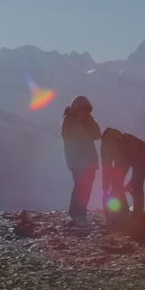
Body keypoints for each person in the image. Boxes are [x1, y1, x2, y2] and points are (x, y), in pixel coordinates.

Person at [61, 95, 102, 226]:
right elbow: (68, 136)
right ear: (77, 110)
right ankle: (79, 215)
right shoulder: (69, 120)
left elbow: (97, 135)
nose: (85, 113)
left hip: (89, 161)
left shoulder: (88, 120)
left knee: (85, 187)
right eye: (83, 110)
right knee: (81, 187)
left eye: (87, 111)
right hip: (77, 161)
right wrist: (81, 123)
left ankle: (75, 213)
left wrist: (89, 122)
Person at [100, 127, 145, 225]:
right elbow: (107, 169)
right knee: (116, 183)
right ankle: (123, 213)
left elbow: (138, 170)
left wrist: (132, 181)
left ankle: (137, 215)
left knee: (137, 186)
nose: (112, 146)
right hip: (123, 158)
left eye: (114, 143)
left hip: (142, 154)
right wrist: (105, 187)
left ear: (119, 140)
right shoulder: (104, 148)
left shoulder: (130, 143)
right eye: (110, 143)